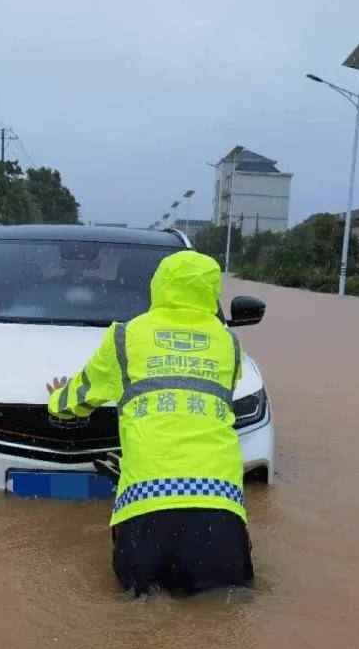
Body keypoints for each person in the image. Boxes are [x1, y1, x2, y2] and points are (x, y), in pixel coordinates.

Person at [46, 250, 253, 595]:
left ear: (159, 285)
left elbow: (78, 399)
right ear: (212, 291)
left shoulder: (126, 337)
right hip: (220, 506)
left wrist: (57, 401)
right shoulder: (229, 342)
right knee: (222, 615)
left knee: (141, 618)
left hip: (147, 505)